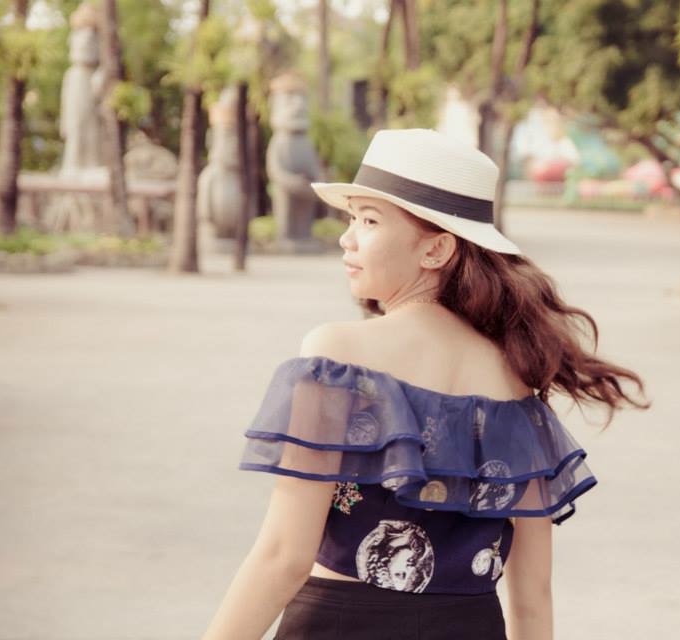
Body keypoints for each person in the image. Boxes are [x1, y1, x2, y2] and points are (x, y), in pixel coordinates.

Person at [200, 128, 651, 640]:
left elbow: (284, 557)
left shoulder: (338, 354)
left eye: (369, 220)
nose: (348, 238)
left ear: (436, 249)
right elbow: (532, 595)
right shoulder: (515, 378)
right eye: (352, 218)